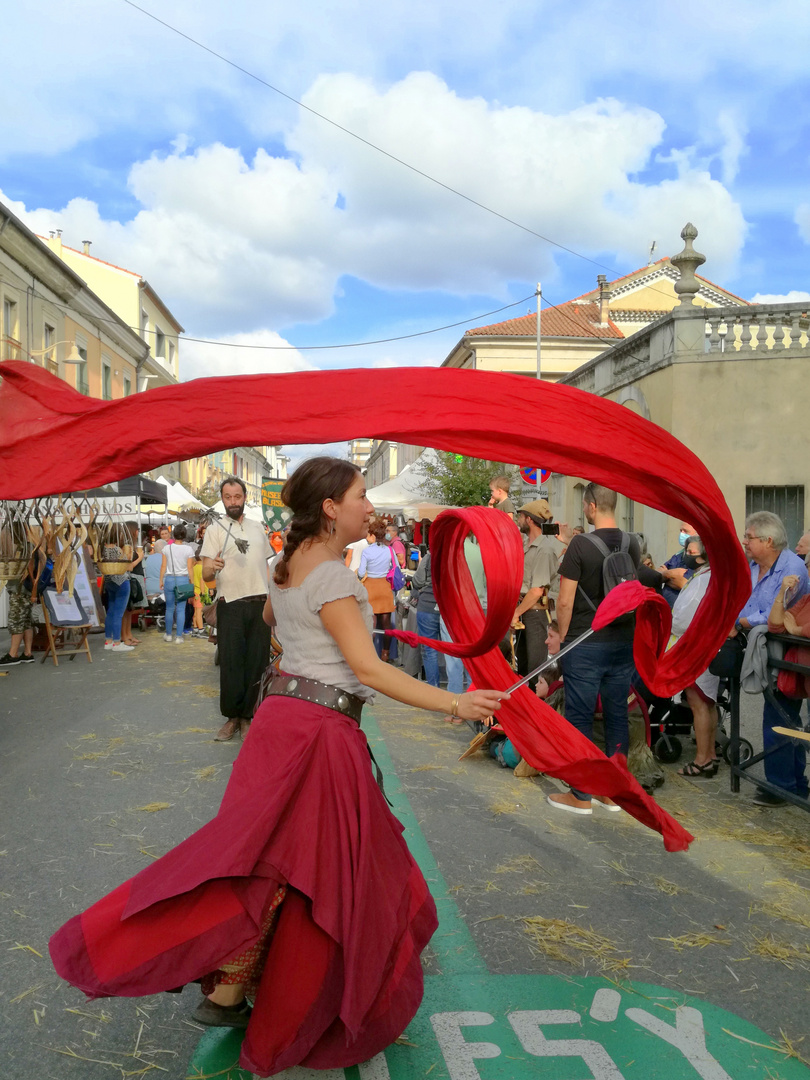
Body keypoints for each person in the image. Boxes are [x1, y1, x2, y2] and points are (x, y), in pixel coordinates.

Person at [49, 457, 506, 1077]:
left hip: (281, 721)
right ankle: (254, 995)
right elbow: (368, 671)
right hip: (318, 736)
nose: (369, 508)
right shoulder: (336, 582)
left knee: (269, 864)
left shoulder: (286, 566)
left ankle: (231, 992)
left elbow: (271, 620)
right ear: (330, 508)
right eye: (361, 497)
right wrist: (455, 700)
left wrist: (309, 646)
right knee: (311, 870)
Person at [550, 483, 641, 815]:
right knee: (618, 714)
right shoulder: (633, 543)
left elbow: (565, 599)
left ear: (589, 506)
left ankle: (581, 793)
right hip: (622, 641)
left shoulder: (579, 544)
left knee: (579, 717)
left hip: (585, 641)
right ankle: (612, 792)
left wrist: (561, 635)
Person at [734, 512, 810, 805]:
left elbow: (776, 618)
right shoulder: (755, 565)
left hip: (782, 650)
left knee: (780, 713)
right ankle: (791, 784)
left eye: (749, 537)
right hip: (767, 646)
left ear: (768, 540)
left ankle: (782, 786)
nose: (744, 541)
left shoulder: (791, 568)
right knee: (781, 713)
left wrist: (741, 624)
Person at [202, 477, 274, 742]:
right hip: (229, 603)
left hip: (259, 603)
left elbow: (266, 565)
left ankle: (249, 717)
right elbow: (207, 573)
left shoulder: (257, 528)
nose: (233, 501)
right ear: (222, 498)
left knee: (257, 662)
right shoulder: (215, 529)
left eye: (237, 496)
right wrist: (213, 566)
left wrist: (272, 596)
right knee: (231, 663)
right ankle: (232, 718)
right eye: (228, 497)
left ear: (245, 497)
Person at [666, 539, 721, 778]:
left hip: (695, 646)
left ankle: (702, 759)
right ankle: (710, 755)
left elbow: (684, 617)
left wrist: (670, 624)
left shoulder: (705, 578)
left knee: (699, 703)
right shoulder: (710, 575)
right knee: (708, 703)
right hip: (704, 645)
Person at [509, 501, 559, 691]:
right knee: (522, 668)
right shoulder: (528, 545)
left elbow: (537, 589)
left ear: (529, 520)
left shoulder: (544, 549)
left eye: (521, 516)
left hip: (536, 613)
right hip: (525, 611)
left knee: (535, 672)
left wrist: (516, 613)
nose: (518, 520)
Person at [358, 521, 397, 662]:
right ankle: (385, 654)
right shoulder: (390, 550)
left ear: (372, 534)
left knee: (371, 623)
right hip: (385, 586)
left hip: (371, 587)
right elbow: (396, 567)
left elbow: (362, 572)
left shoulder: (367, 551)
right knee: (387, 624)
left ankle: (370, 655)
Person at [159, 524, 196, 644]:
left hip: (169, 579)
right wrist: (192, 582)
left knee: (169, 608)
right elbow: (190, 568)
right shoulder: (188, 549)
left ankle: (168, 634)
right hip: (183, 580)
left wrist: (160, 580)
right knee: (181, 609)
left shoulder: (167, 548)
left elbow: (163, 565)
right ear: (184, 535)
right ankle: (179, 636)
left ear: (173, 534)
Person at [658, 520, 698, 607]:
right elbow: (658, 574)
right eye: (681, 531)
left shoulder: (704, 560)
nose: (682, 534)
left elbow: (685, 584)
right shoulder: (678, 555)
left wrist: (668, 577)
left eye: (685, 531)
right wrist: (670, 574)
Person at [0, 573, 36, 666]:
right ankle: (27, 653)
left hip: (19, 590)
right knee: (26, 621)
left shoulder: (25, 559)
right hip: (27, 590)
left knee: (16, 620)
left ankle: (13, 655)